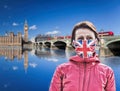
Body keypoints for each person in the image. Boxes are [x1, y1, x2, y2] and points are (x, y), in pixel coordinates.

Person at [49, 21, 116, 91]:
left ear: (96, 42)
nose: (85, 41)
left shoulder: (108, 72)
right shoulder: (61, 70)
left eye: (89, 38)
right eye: (80, 38)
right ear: (73, 43)